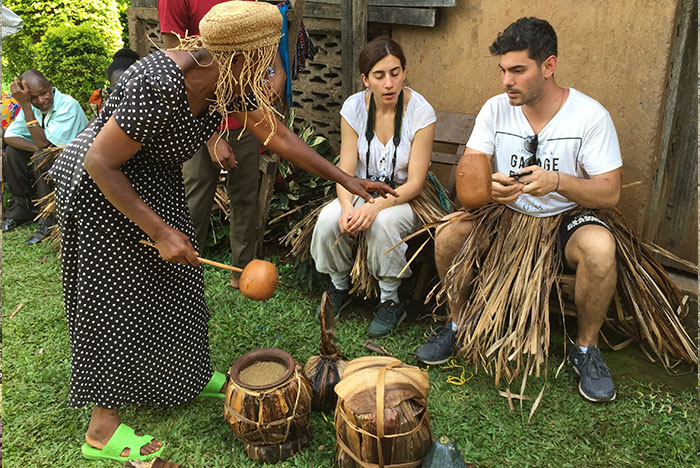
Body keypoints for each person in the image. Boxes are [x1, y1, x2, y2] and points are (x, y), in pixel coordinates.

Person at [48, 1, 396, 462]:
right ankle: (102, 428)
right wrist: (157, 231)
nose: (272, 70)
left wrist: (344, 178)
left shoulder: (230, 81)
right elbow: (99, 161)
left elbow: (277, 135)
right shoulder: (158, 82)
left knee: (180, 283)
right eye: (266, 58)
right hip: (103, 189)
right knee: (116, 299)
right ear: (240, 55)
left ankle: (185, 374)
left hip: (154, 180)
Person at [415, 17, 622, 403]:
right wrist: (489, 190)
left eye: (517, 70)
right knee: (449, 234)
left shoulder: (590, 116)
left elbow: (610, 193)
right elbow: (472, 175)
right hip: (506, 213)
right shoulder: (495, 110)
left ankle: (585, 350)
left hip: (565, 215)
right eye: (502, 71)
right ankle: (457, 323)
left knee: (600, 248)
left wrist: (558, 182)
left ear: (548, 66)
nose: (506, 81)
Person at [310, 37, 436, 338]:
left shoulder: (420, 112)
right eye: (379, 76)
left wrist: (377, 206)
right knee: (330, 220)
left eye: (395, 73)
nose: (388, 83)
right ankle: (339, 287)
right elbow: (345, 171)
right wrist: (347, 208)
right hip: (359, 189)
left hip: (406, 196)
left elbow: (416, 182)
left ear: (404, 72)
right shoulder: (353, 108)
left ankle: (391, 299)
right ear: (366, 79)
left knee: (384, 223)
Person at [159, 0, 287, 290]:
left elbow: (263, 35)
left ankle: (242, 274)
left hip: (246, 114)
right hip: (197, 120)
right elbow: (177, 68)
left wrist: (277, 70)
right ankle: (184, 278)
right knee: (195, 201)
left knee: (245, 197)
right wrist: (210, 137)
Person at [3, 69, 88, 244]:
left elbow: (45, 147)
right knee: (13, 152)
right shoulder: (33, 107)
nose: (41, 101)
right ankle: (22, 208)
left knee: (42, 156)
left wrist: (26, 106)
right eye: (33, 97)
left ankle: (49, 220)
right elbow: (10, 137)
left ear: (50, 85)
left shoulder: (67, 105)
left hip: (77, 166)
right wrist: (37, 147)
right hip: (49, 157)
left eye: (44, 93)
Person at [88, 48, 140, 118]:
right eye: (116, 87)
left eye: (127, 86)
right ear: (110, 84)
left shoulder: (147, 107)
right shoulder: (105, 106)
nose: (122, 92)